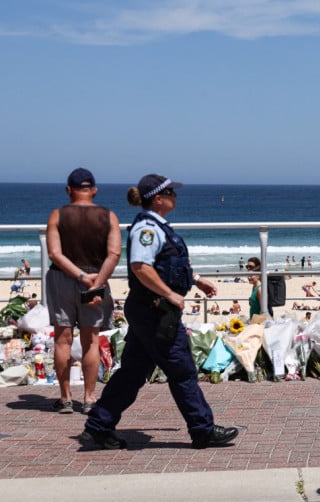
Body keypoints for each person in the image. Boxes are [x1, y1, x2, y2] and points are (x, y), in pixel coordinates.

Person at [82, 174, 238, 450]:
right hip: (155, 312)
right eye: (171, 193)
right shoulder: (149, 229)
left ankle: (99, 424)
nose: (175, 197)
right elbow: (141, 267)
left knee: (132, 372)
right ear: (158, 198)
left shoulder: (158, 228)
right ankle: (202, 430)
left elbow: (167, 265)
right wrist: (169, 294)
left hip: (149, 311)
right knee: (182, 370)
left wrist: (195, 279)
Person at [45, 168, 121, 415]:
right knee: (90, 340)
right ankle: (89, 398)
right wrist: (96, 281)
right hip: (96, 279)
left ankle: (66, 398)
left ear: (69, 190)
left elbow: (55, 253)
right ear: (95, 190)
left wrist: (79, 276)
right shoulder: (109, 216)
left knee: (62, 338)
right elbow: (114, 254)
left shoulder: (57, 215)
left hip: (62, 278)